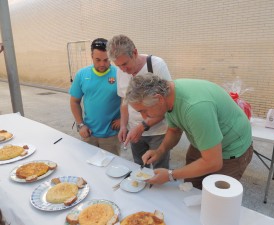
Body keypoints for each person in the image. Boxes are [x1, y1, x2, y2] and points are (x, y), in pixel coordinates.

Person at [125, 75, 253, 189]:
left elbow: (213, 162)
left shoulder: (195, 108)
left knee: (212, 200)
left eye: (144, 111)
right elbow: (174, 130)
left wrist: (170, 175)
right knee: (191, 188)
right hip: (204, 142)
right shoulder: (168, 96)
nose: (143, 117)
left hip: (231, 149)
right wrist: (160, 151)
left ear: (158, 99)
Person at [106, 34, 171, 168]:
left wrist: (141, 127)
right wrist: (124, 126)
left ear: (134, 53)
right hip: (134, 131)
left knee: (159, 168)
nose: (123, 70)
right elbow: (124, 101)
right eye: (118, 66)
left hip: (158, 132)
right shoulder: (120, 71)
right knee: (139, 167)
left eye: (125, 64)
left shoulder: (156, 65)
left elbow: (167, 104)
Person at [69, 38, 121, 155]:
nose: (102, 64)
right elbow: (74, 101)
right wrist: (80, 125)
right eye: (98, 60)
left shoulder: (120, 73)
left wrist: (123, 120)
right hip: (89, 133)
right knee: (88, 167)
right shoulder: (82, 74)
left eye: (106, 60)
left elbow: (129, 100)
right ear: (91, 55)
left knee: (110, 169)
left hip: (111, 136)